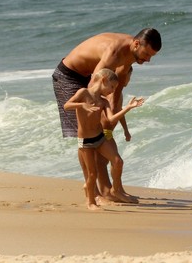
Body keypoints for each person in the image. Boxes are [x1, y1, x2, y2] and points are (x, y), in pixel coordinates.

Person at [52, 28, 161, 200]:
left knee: (100, 132)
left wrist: (113, 116)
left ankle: (107, 189)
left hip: (87, 77)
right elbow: (94, 86)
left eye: (151, 57)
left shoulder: (130, 54)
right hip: (69, 77)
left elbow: (115, 90)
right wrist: (102, 119)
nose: (147, 59)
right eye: (146, 54)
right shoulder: (114, 53)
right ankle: (94, 191)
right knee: (88, 135)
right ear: (136, 43)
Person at [64, 68, 144, 210]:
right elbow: (67, 105)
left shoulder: (103, 101)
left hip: (100, 138)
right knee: (92, 174)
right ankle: (90, 202)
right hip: (86, 141)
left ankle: (116, 190)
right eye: (112, 86)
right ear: (103, 80)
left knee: (118, 161)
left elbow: (111, 119)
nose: (113, 91)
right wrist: (82, 105)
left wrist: (128, 108)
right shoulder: (83, 93)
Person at [95, 66, 139, 204]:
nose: (128, 80)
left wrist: (126, 130)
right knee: (108, 162)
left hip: (108, 133)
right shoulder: (112, 94)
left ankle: (116, 189)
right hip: (103, 133)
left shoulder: (117, 93)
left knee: (111, 162)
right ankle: (110, 191)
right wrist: (128, 108)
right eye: (128, 76)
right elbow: (111, 117)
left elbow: (118, 111)